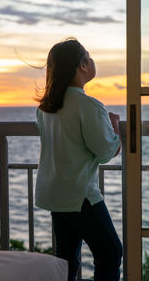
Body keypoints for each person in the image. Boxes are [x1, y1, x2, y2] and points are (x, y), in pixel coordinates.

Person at [35, 38, 123, 281]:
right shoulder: (88, 106)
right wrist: (114, 125)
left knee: (66, 259)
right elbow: (106, 151)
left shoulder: (45, 108)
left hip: (55, 193)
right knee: (111, 253)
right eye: (89, 55)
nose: (92, 60)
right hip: (79, 195)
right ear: (82, 65)